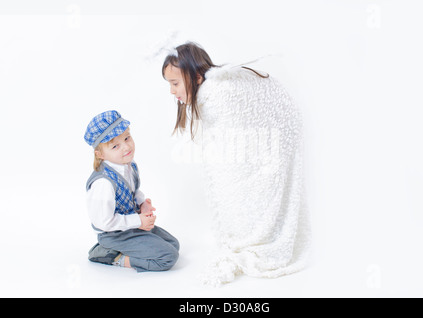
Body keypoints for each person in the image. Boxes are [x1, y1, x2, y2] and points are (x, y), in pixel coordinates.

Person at [162, 42, 311, 286]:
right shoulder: (208, 92)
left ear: (197, 76)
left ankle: (258, 235)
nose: (171, 91)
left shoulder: (218, 92)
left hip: (282, 127)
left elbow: (237, 145)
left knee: (247, 180)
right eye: (168, 84)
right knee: (233, 178)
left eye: (175, 83)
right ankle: (248, 230)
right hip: (269, 129)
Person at [84, 110, 179, 272]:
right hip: (114, 234)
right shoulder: (103, 183)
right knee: (167, 257)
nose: (126, 147)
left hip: (131, 225)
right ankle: (113, 257)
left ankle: (129, 247)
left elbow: (134, 191)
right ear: (100, 154)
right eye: (115, 146)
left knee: (173, 245)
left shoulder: (129, 165)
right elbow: (104, 222)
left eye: (127, 138)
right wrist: (139, 222)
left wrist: (143, 203)